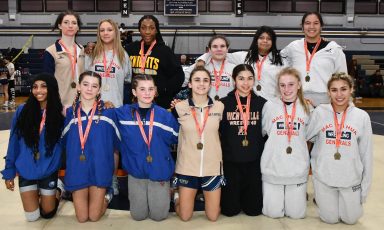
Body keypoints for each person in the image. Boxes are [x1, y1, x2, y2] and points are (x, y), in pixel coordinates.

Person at [306, 72, 372, 224]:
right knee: (330, 219)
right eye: (334, 90)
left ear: (351, 89)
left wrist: (364, 188)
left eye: (343, 89)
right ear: (328, 92)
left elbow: (366, 154)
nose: (339, 94)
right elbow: (306, 136)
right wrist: (306, 109)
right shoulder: (320, 113)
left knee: (351, 219)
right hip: (324, 177)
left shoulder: (361, 117)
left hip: (350, 179)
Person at [1, 73, 65, 221]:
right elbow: (13, 143)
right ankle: (38, 192)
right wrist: (9, 171)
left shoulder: (60, 114)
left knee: (47, 213)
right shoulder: (22, 111)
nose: (38, 90)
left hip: (48, 169)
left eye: (44, 86)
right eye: (35, 87)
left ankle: (58, 190)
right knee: (32, 217)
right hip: (26, 169)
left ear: (52, 89)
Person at [115, 74, 179, 221]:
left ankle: (175, 194)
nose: (147, 93)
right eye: (142, 89)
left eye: (151, 89)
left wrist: (180, 112)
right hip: (135, 171)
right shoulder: (122, 113)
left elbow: (177, 137)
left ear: (155, 91)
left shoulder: (165, 115)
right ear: (134, 92)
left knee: (159, 216)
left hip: (159, 170)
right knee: (138, 216)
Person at [61, 71, 120, 222]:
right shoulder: (70, 113)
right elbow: (63, 141)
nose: (89, 89)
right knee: (81, 218)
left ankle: (108, 194)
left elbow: (117, 143)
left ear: (99, 90)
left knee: (94, 217)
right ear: (79, 87)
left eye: (94, 86)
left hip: (99, 169)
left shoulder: (109, 112)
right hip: (77, 169)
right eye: (85, 84)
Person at [85, 18, 131, 195]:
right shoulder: (91, 54)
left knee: (113, 147)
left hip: (115, 108)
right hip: (92, 107)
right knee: (92, 145)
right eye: (102, 30)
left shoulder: (123, 56)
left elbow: (126, 80)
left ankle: (112, 180)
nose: (105, 33)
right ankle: (93, 178)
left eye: (109, 30)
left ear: (115, 32)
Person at [173, 66, 225, 221]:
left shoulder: (219, 107)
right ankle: (177, 197)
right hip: (187, 167)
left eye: (205, 80)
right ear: (189, 84)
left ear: (210, 85)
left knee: (213, 216)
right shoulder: (179, 107)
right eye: (197, 80)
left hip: (212, 167)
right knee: (185, 216)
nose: (201, 84)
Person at [261, 67, 311, 219]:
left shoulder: (308, 108)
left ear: (299, 85)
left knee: (296, 215)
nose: (287, 89)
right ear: (278, 86)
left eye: (291, 84)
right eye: (282, 85)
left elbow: (310, 138)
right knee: (272, 213)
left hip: (297, 169)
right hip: (273, 168)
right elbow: (263, 133)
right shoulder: (269, 106)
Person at [219, 64, 266, 217]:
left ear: (254, 80)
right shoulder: (223, 104)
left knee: (254, 211)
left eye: (249, 78)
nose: (246, 83)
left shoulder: (262, 104)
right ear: (234, 81)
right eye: (241, 79)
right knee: (229, 211)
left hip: (254, 163)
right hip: (231, 163)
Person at [196, 26, 285, 101]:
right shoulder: (244, 57)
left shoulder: (281, 61)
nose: (265, 41)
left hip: (272, 103)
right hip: (250, 104)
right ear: (256, 40)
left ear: (273, 42)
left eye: (269, 39)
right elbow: (219, 53)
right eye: (261, 38)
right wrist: (201, 60)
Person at [281, 12, 348, 106]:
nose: (311, 26)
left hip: (325, 102)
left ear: (321, 26)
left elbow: (343, 78)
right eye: (307, 23)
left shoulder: (334, 49)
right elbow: (279, 64)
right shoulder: (293, 47)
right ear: (302, 26)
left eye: (316, 23)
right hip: (298, 100)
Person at [124, 15, 184, 108]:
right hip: (134, 102)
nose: (147, 32)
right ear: (139, 30)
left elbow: (179, 76)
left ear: (156, 30)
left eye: (151, 28)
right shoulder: (130, 49)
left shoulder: (165, 51)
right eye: (143, 28)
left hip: (159, 104)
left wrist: (162, 90)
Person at [43, 10, 85, 107]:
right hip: (60, 106)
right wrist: (56, 105)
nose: (70, 26)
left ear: (78, 27)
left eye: (74, 23)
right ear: (59, 25)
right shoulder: (50, 51)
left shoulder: (82, 49)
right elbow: (48, 83)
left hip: (81, 105)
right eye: (66, 22)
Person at [184, 35, 236, 101]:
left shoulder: (234, 68)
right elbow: (182, 82)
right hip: (204, 109)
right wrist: (203, 59)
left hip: (227, 108)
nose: (219, 49)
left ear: (227, 49)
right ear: (209, 50)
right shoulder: (201, 66)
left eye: (222, 46)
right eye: (215, 46)